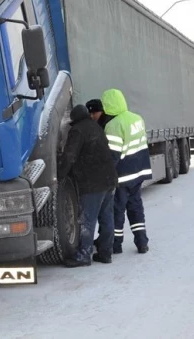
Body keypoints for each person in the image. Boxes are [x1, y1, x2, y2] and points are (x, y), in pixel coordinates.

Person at [57, 104, 118, 267]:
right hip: (109, 179)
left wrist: (59, 176)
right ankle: (105, 253)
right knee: (106, 217)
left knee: (87, 220)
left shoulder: (77, 130)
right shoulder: (96, 127)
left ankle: (84, 255)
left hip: (92, 182)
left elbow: (69, 156)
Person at [101, 89, 152, 254]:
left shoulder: (113, 125)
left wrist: (107, 175)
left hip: (123, 175)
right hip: (139, 171)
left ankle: (116, 244)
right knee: (136, 207)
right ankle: (142, 242)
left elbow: (113, 155)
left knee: (118, 210)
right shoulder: (137, 118)